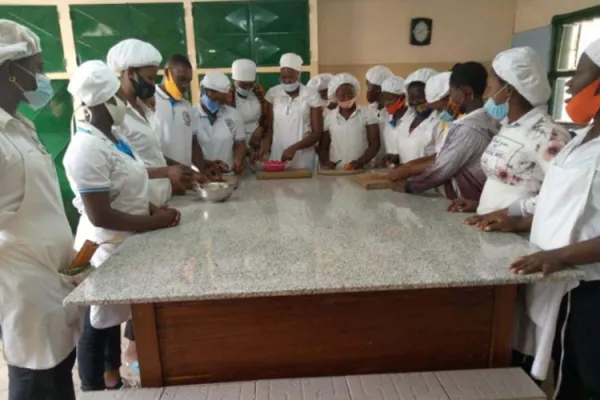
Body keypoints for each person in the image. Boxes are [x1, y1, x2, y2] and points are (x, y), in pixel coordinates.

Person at [476, 38, 600, 400]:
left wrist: (559, 256)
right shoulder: (583, 138)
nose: (570, 83)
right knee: (564, 370)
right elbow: (554, 195)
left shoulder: (557, 135)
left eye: (580, 73)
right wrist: (515, 216)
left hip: (587, 282)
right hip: (560, 279)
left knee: (587, 380)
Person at [64, 60, 181, 391]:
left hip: (125, 241)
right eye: (117, 96)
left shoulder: (111, 139)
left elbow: (125, 187)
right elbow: (101, 214)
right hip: (104, 245)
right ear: (102, 101)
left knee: (112, 317)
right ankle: (94, 386)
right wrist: (152, 222)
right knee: (97, 322)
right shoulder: (85, 148)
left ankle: (112, 376)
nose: (123, 103)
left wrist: (151, 208)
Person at [0, 19, 82, 400]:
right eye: (35, 68)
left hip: (51, 284)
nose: (42, 78)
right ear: (10, 71)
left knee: (59, 373)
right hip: (24, 294)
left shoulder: (18, 126)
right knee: (34, 381)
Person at [455, 47, 570, 218]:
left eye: (489, 88)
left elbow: (562, 193)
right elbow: (507, 185)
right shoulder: (508, 126)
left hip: (518, 229)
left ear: (508, 90)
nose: (486, 95)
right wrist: (481, 205)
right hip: (490, 223)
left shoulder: (549, 135)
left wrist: (509, 215)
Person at [106, 39, 193, 203]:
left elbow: (153, 155)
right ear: (130, 73)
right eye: (150, 78)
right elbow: (119, 170)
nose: (153, 85)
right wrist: (166, 172)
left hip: (160, 200)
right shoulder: (116, 115)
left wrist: (184, 172)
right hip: (137, 204)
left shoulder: (145, 107)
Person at [403, 62, 499, 200]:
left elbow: (441, 171)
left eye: (452, 92)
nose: (451, 98)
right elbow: (443, 155)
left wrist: (407, 186)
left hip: (467, 199)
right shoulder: (479, 121)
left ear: (465, 91)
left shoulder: (469, 130)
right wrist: (409, 167)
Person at [153, 53, 218, 180]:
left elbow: (193, 142)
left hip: (184, 179)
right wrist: (184, 171)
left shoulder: (186, 106)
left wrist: (202, 172)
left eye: (188, 81)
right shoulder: (150, 101)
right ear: (167, 73)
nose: (186, 86)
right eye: (181, 79)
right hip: (160, 178)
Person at [387, 71, 455, 181]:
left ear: (431, 95)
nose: (414, 102)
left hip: (430, 183)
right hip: (404, 181)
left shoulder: (443, 122)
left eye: (419, 97)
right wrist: (398, 157)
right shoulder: (407, 119)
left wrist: (409, 169)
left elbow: (442, 158)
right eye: (411, 97)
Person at [260, 53, 323, 168]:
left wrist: (294, 148)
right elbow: (270, 127)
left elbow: (317, 133)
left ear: (298, 74)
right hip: (278, 154)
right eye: (283, 78)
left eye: (291, 78)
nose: (287, 81)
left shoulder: (311, 95)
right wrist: (265, 145)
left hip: (303, 157)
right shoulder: (273, 93)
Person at [318, 73, 380, 169]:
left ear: (355, 92)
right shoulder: (329, 117)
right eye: (343, 95)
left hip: (362, 169)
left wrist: (360, 162)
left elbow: (375, 144)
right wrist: (327, 162)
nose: (347, 97)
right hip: (337, 170)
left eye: (350, 93)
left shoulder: (368, 113)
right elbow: (323, 147)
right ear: (335, 96)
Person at [195, 71, 246, 173]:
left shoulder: (233, 114)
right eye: (214, 99)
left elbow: (240, 143)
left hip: (228, 174)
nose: (217, 103)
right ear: (204, 90)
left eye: (221, 101)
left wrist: (238, 161)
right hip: (201, 174)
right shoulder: (191, 115)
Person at [227, 59, 267, 158]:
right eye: (243, 84)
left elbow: (266, 115)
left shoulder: (258, 91)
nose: (247, 87)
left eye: (250, 84)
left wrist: (261, 129)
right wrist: (244, 149)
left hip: (258, 142)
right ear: (235, 80)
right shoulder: (228, 96)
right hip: (236, 143)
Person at [377, 75, 408, 166]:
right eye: (384, 98)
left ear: (402, 98)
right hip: (391, 168)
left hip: (409, 166)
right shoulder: (385, 117)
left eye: (389, 99)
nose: (386, 103)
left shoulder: (412, 118)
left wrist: (399, 157)